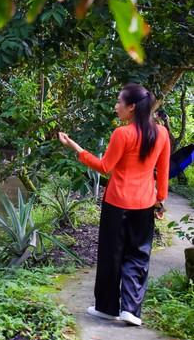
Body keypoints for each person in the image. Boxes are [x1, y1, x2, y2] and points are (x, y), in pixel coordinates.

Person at [58, 83, 170, 326]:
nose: (116, 106)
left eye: (119, 102)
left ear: (132, 107)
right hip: (144, 202)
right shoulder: (161, 133)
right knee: (139, 254)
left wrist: (75, 147)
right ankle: (131, 310)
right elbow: (163, 169)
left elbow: (104, 167)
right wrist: (160, 200)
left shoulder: (122, 134)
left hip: (117, 202)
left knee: (112, 254)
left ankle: (108, 308)